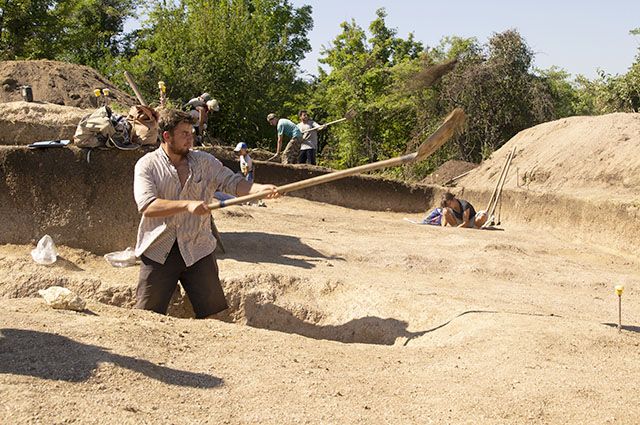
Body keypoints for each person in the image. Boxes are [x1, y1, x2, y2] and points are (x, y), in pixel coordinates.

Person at [133, 109, 279, 318]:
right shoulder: (147, 165)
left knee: (215, 315)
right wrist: (186, 205)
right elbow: (147, 205)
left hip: (198, 247)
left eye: (191, 132)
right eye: (184, 133)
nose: (190, 138)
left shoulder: (205, 162)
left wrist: (259, 190)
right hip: (159, 248)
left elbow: (233, 183)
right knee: (145, 316)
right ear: (167, 136)